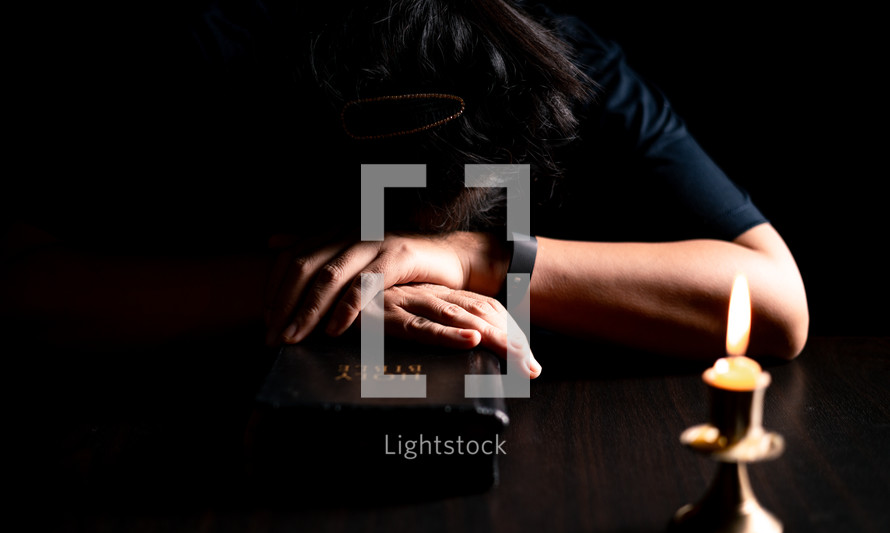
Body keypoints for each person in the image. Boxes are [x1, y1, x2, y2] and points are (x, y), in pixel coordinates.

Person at [2, 1, 808, 381]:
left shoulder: (561, 59)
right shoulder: (207, 52)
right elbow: (22, 293)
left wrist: (476, 259)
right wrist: (311, 287)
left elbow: (776, 302)